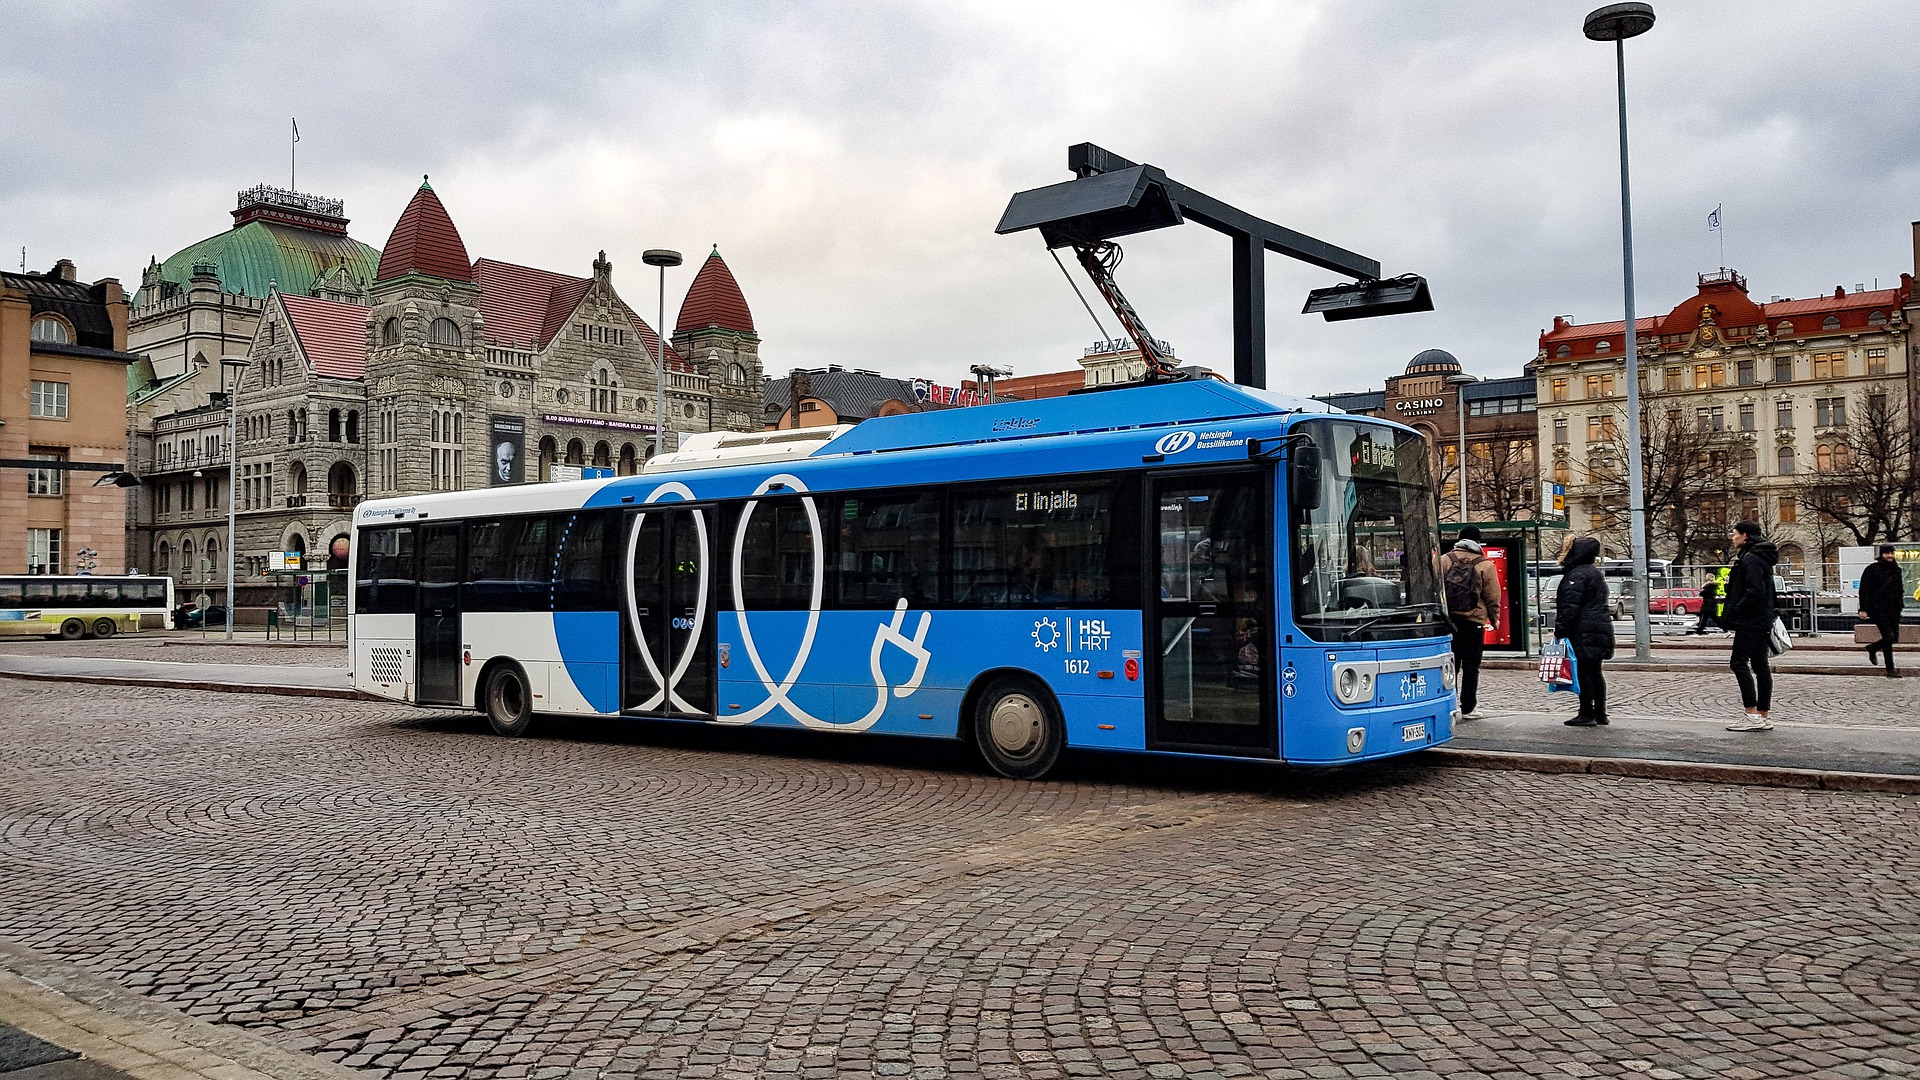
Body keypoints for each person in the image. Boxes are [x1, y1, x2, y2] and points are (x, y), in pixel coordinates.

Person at [1722, 520, 1779, 731]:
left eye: (1734, 532)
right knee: (1760, 665)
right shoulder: (1762, 557)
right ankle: (1764, 715)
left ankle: (1751, 713)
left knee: (1738, 663)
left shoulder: (1750, 559)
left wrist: (1735, 609)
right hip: (1762, 618)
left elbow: (1755, 591)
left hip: (1750, 619)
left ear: (1745, 535)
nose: (1732, 536)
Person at [1440, 525, 1502, 719]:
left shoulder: (1444, 560)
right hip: (1473, 621)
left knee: (1450, 664)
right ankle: (1468, 707)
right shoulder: (1485, 564)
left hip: (1448, 622)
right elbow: (1492, 595)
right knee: (1471, 666)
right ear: (1478, 540)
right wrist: (1495, 618)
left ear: (1459, 539)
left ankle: (1448, 704)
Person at [1552, 536, 1613, 726]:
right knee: (1595, 671)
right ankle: (1600, 713)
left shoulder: (1577, 575)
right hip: (1598, 627)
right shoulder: (1593, 573)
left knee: (1584, 671)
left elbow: (1570, 606)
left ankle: (1586, 713)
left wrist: (1560, 629)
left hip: (1583, 629)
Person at [1859, 544, 1906, 678]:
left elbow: (1899, 589)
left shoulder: (1897, 570)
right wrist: (1863, 609)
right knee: (1888, 636)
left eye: (1892, 553)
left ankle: (1873, 649)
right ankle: (1890, 669)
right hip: (1877, 608)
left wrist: (1900, 605)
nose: (1890, 556)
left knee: (1893, 638)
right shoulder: (1872, 569)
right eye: (1887, 553)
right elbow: (1864, 590)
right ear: (1881, 554)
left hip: (1893, 609)